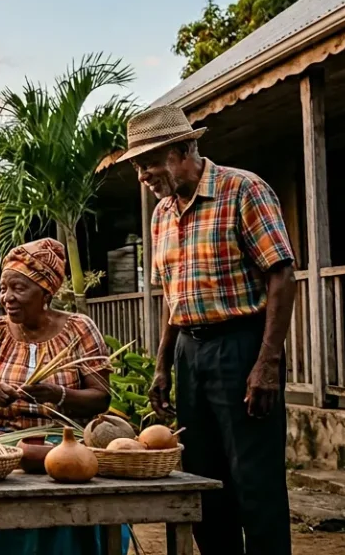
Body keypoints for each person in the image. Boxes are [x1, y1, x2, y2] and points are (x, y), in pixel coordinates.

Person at [120, 106, 296, 555]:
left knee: (253, 483)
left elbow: (281, 275)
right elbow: (172, 297)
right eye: (138, 166)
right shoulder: (162, 214)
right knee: (203, 481)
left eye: (149, 163)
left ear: (184, 149)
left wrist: (267, 362)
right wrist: (162, 365)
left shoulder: (243, 189)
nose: (143, 175)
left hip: (242, 347)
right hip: (189, 352)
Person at [0, 238, 129, 555]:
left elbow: (101, 398)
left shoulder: (79, 329)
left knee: (64, 478)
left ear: (46, 293)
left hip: (64, 440)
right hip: (3, 444)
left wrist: (59, 394)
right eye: (3, 288)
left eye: (19, 289)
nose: (7, 298)